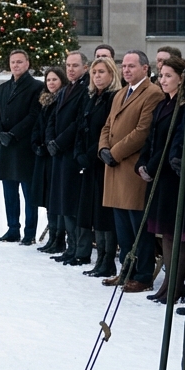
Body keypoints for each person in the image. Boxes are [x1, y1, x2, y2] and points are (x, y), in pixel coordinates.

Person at [98, 51, 164, 292]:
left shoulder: (152, 93)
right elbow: (108, 125)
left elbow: (142, 131)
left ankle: (143, 275)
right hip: (114, 170)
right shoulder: (119, 94)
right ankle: (126, 272)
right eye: (123, 66)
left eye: (131, 66)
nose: (126, 70)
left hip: (131, 170)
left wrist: (114, 153)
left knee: (139, 229)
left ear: (145, 69)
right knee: (123, 229)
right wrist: (103, 148)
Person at [138, 55, 185, 304]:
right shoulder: (162, 105)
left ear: (181, 79)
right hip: (157, 176)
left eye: (169, 76)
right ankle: (168, 285)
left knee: (175, 232)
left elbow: (173, 142)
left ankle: (176, 286)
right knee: (165, 234)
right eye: (162, 75)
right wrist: (142, 163)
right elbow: (151, 137)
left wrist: (152, 164)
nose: (163, 80)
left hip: (172, 176)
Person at [0, 49, 43, 245]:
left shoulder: (36, 87)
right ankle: (13, 229)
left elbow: (34, 115)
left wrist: (13, 134)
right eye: (13, 62)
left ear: (27, 64)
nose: (16, 65)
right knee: (9, 191)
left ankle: (30, 233)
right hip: (5, 147)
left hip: (23, 147)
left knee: (29, 194)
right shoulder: (3, 87)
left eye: (20, 62)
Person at [76, 56, 122, 278]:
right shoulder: (92, 97)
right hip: (89, 163)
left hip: (103, 162)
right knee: (94, 211)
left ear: (112, 74)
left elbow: (107, 131)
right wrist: (79, 154)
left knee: (104, 214)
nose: (97, 76)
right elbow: (82, 127)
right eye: (94, 73)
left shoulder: (113, 98)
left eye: (101, 72)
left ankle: (108, 260)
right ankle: (101, 258)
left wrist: (92, 154)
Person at [48, 52, 91, 264]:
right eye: (68, 65)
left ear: (85, 67)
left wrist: (60, 142)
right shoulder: (65, 89)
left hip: (72, 152)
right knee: (63, 201)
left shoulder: (85, 90)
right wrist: (50, 140)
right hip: (59, 153)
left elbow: (77, 122)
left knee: (74, 204)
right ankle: (70, 246)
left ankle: (80, 250)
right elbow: (53, 118)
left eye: (75, 65)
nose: (71, 69)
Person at [32, 66, 69, 252]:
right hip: (44, 156)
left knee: (56, 198)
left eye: (54, 79)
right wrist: (37, 144)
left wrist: (50, 144)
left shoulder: (62, 99)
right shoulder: (44, 101)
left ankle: (59, 237)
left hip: (55, 153)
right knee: (47, 198)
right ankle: (52, 236)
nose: (51, 83)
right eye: (48, 80)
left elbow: (55, 127)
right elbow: (38, 126)